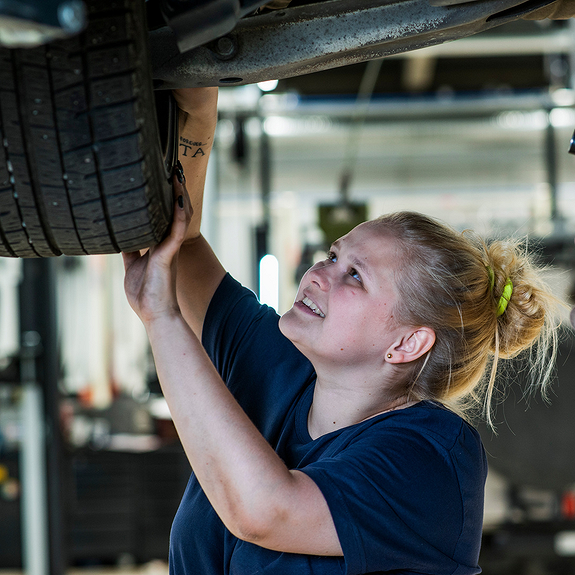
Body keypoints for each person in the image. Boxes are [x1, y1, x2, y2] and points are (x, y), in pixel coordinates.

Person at [122, 87, 563, 575]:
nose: (317, 273)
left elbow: (265, 512)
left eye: (355, 275)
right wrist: (199, 110)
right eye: (334, 255)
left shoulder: (435, 458)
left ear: (407, 343)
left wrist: (162, 321)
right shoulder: (281, 364)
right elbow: (184, 244)